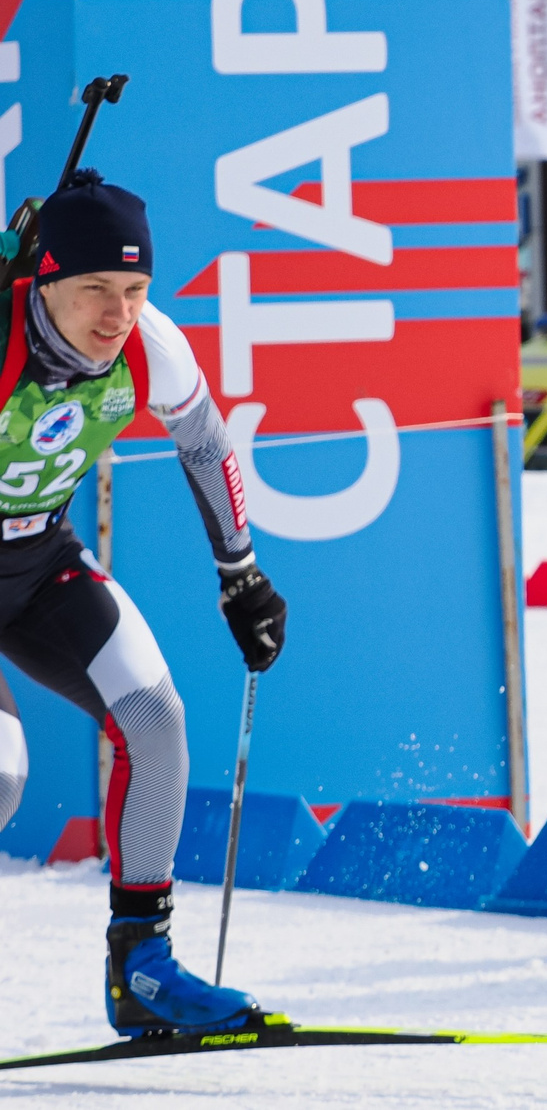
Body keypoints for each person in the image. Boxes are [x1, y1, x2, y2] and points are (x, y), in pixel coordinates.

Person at [0, 171, 287, 1035]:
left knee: (155, 718)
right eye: (93, 288)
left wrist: (240, 571)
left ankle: (142, 972)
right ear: (42, 279)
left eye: (133, 289)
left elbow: (204, 439)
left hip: (37, 559)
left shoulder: (147, 344)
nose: (117, 312)